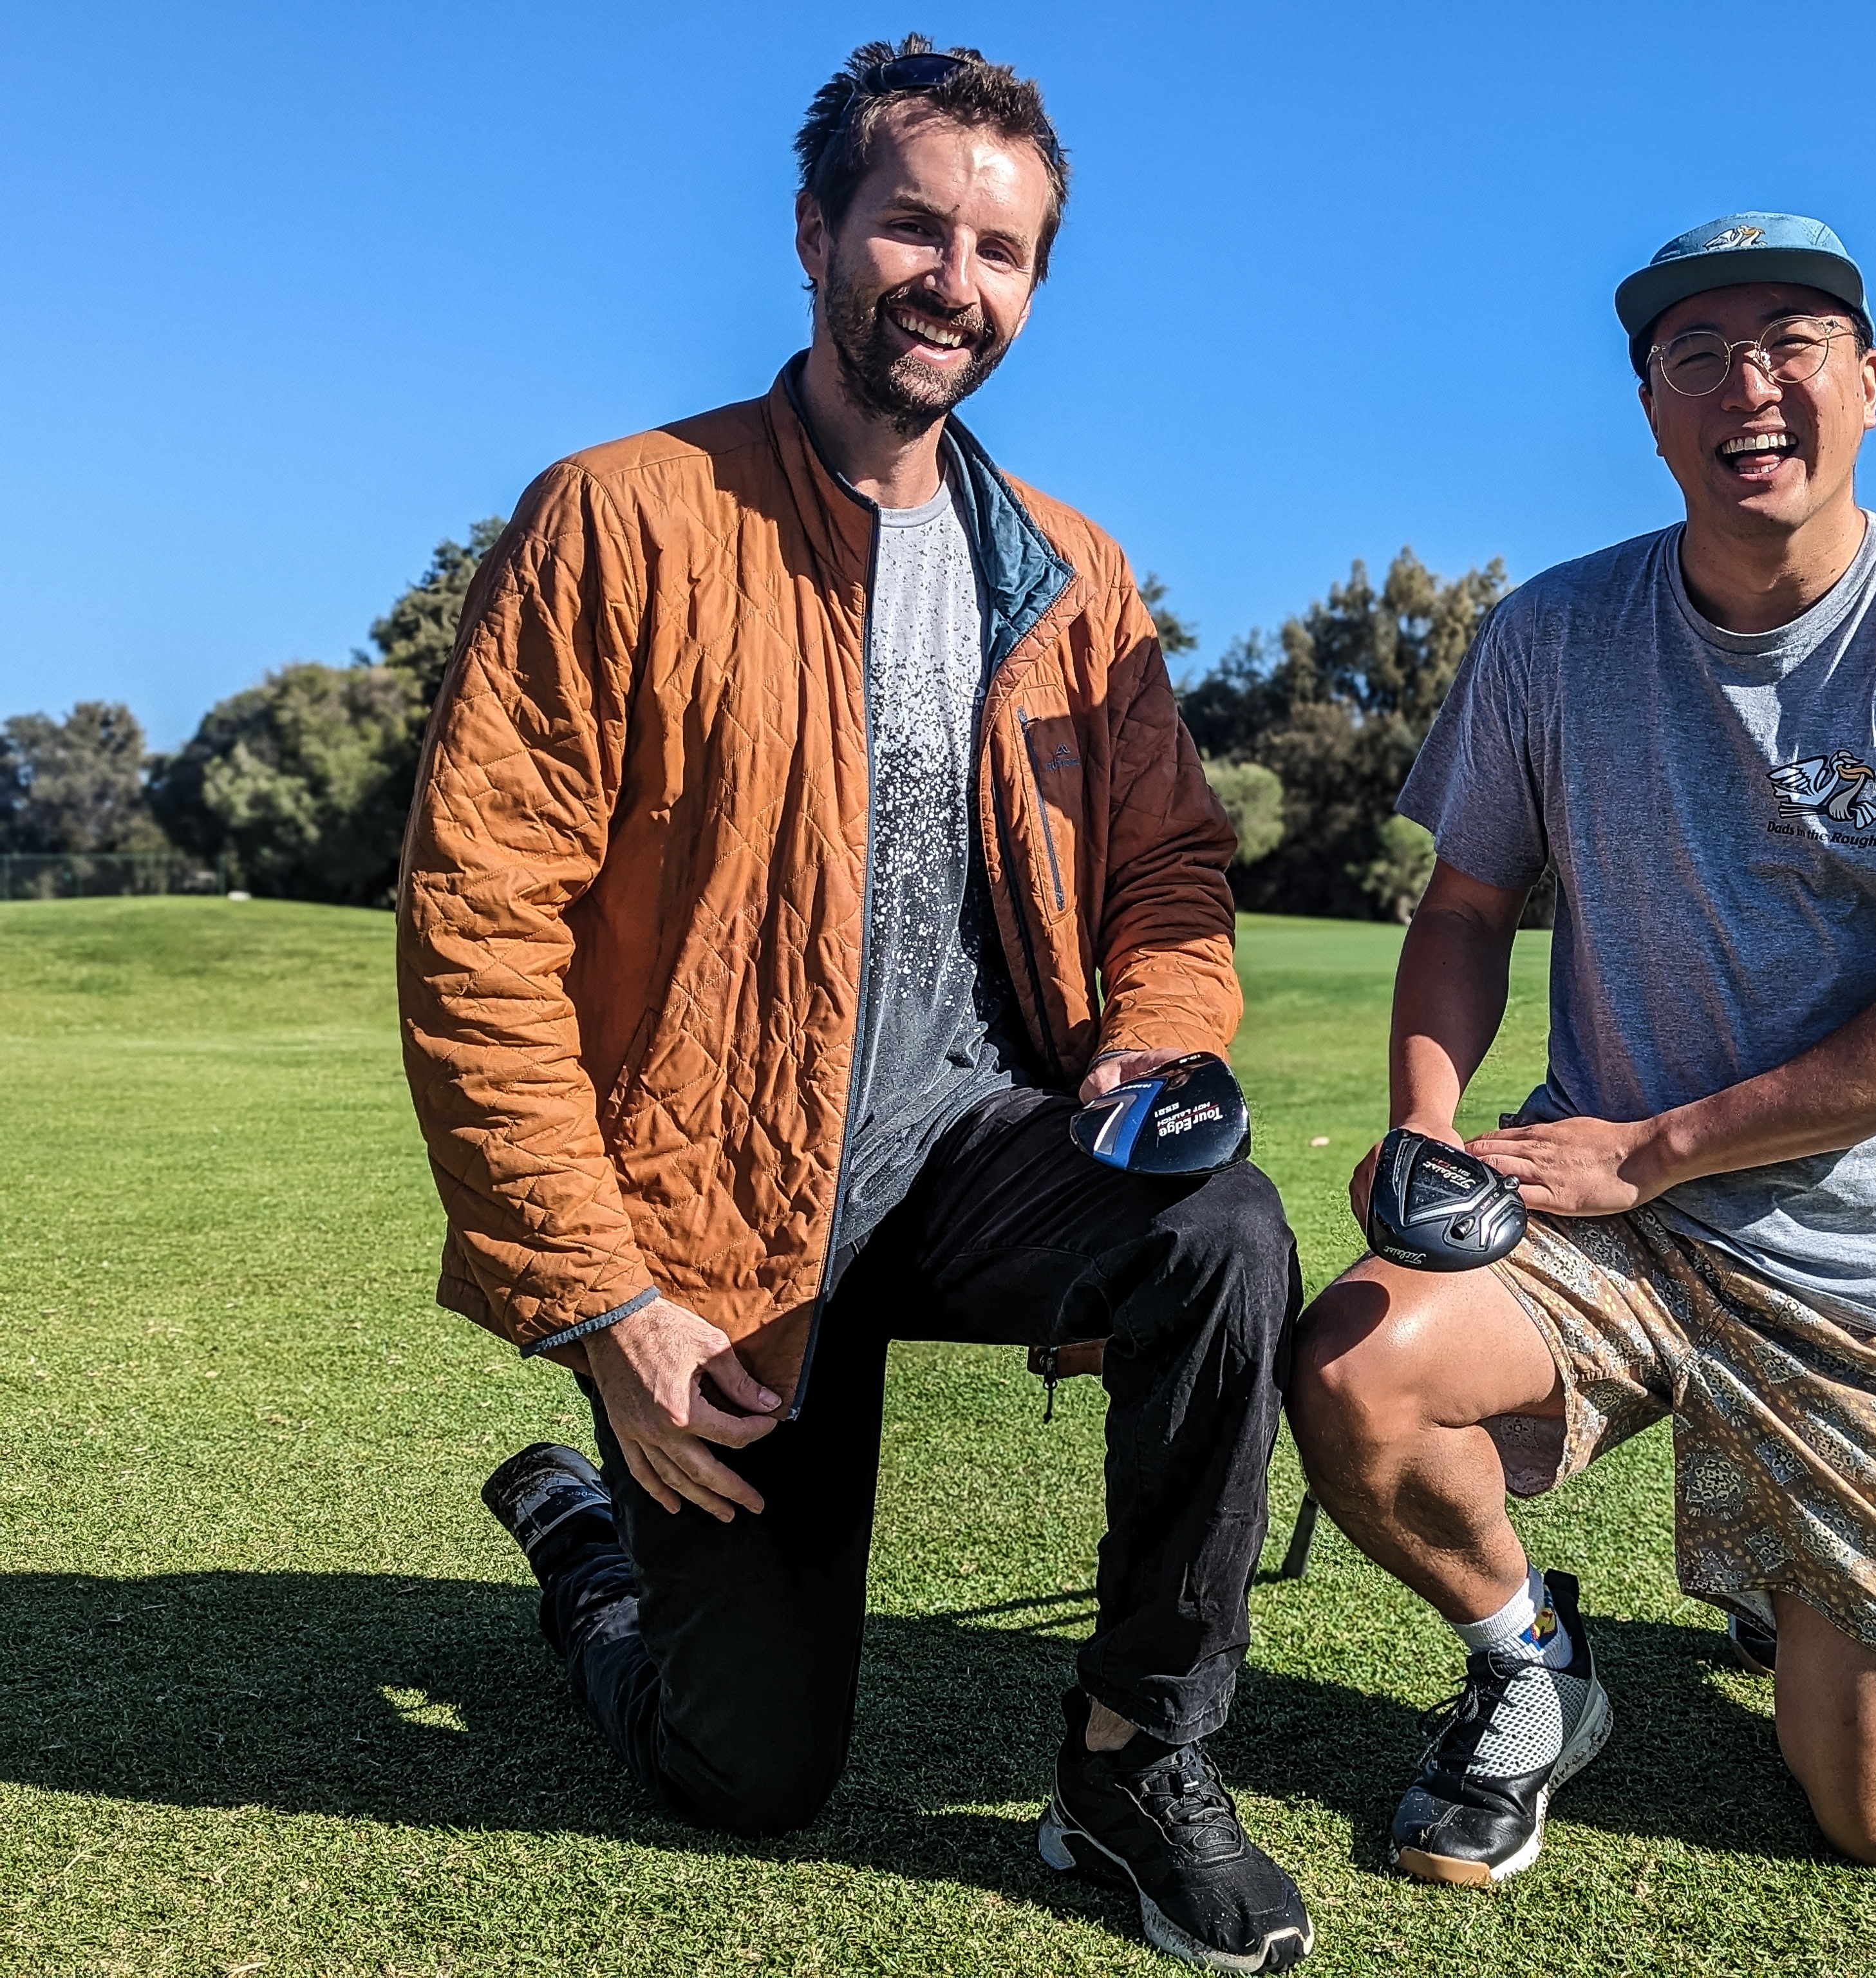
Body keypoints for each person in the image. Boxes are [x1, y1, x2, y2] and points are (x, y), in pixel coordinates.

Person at [397, 38, 1312, 1973]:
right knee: (749, 1774)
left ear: (1032, 285)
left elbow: (1168, 871)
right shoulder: (621, 518)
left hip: (992, 1153)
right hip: (719, 1217)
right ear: (816, 230)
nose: (950, 278)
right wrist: (603, 1305)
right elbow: (481, 928)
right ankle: (592, 1561)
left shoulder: (1076, 575)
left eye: (1000, 248)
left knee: (1223, 1229)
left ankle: (1142, 1756)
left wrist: (1155, 1038)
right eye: (912, 223)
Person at [1287, 211, 1876, 1887]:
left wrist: (1647, 1148)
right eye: (1697, 355)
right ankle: (1534, 1658)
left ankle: (1779, 1563)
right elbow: (1463, 908)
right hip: (1619, 1228)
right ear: (1652, 409)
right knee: (1360, 1370)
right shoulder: (1550, 639)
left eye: (1792, 343)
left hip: (1875, 1271)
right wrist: (1427, 1129)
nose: (1751, 384)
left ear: (1868, 384)